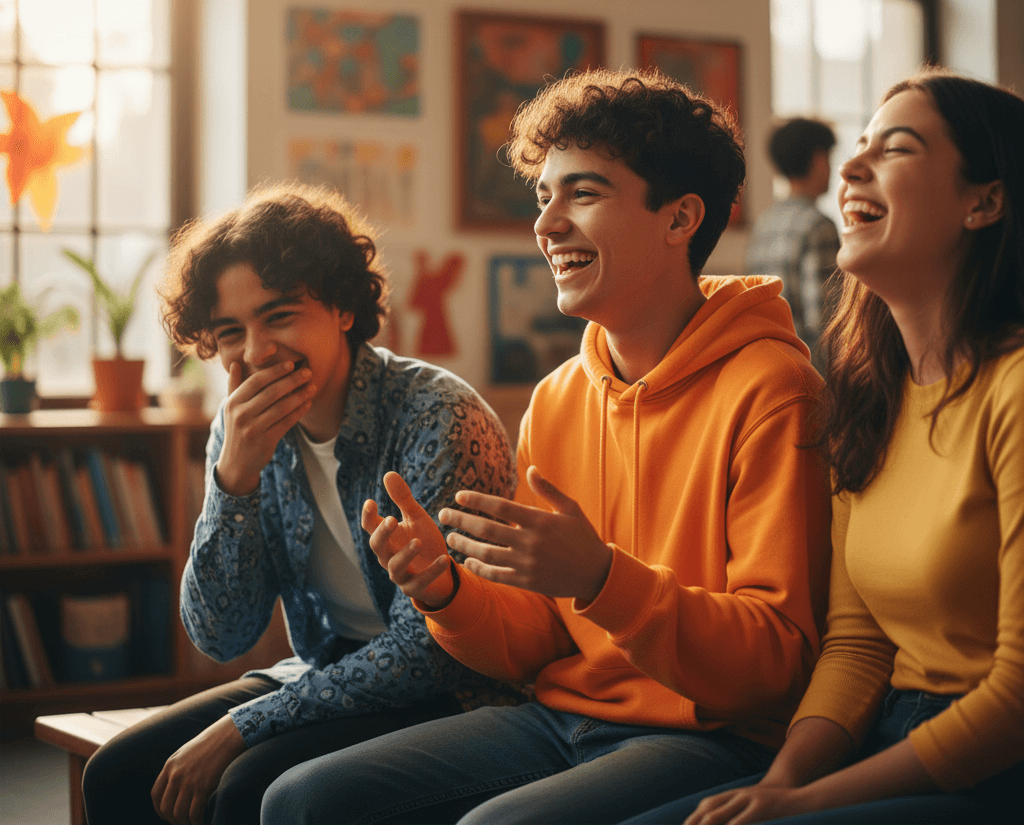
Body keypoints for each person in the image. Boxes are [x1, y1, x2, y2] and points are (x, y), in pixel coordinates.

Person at [260, 68, 832, 825]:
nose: (547, 223)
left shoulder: (776, 390)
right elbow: (537, 642)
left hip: (713, 735)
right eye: (544, 197)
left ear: (680, 218)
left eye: (583, 194)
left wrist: (601, 577)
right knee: (301, 799)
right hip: (561, 715)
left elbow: (775, 666)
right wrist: (444, 591)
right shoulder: (561, 395)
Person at [621, 69, 1024, 825]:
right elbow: (859, 644)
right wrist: (782, 782)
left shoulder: (1014, 391)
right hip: (884, 736)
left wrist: (806, 802)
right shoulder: (870, 400)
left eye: (895, 148)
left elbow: (1017, 698)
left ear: (986, 201)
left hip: (993, 766)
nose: (851, 167)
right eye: (857, 145)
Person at [81, 183, 518, 825]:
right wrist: (234, 479)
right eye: (231, 332)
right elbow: (221, 633)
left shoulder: (437, 417)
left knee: (242, 786)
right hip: (322, 668)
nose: (256, 352)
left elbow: (429, 652)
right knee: (118, 773)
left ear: (342, 308)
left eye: (279, 316)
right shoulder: (238, 434)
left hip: (456, 692)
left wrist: (243, 726)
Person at [745, 118, 840, 373]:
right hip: (811, 371)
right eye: (829, 158)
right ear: (818, 161)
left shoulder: (764, 224)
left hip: (768, 364)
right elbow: (826, 321)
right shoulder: (819, 226)